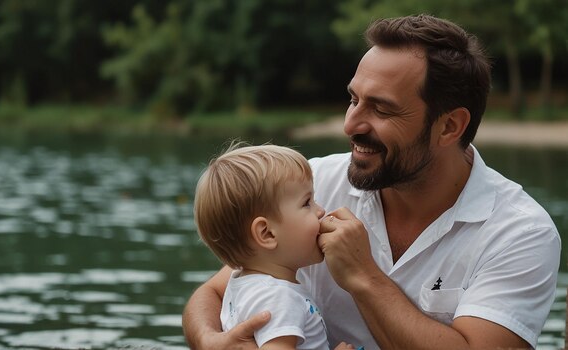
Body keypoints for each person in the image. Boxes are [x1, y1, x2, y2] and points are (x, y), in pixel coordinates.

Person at [182, 14, 561, 349]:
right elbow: (214, 294)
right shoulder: (311, 185)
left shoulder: (520, 233)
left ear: (449, 126)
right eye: (353, 100)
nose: (351, 124)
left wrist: (363, 277)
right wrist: (211, 341)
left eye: (381, 108)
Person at [193, 142, 356, 349]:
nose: (321, 211)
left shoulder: (240, 283)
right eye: (307, 203)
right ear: (267, 233)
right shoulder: (278, 298)